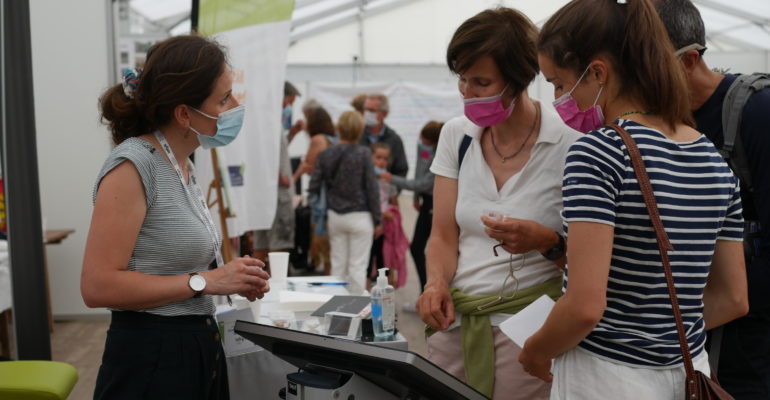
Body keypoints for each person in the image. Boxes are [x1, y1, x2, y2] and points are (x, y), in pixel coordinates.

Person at [519, 1, 749, 398]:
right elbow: (732, 298)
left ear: (597, 72)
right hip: (689, 370)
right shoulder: (712, 159)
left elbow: (585, 307)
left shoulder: (598, 152)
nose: (557, 98)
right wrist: (657, 333)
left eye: (558, 83)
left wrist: (534, 351)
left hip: (605, 377)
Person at [82, 35, 270, 399]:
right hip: (151, 358)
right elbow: (97, 286)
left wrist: (231, 278)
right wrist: (207, 281)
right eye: (223, 99)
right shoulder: (133, 166)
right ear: (184, 114)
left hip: (193, 346)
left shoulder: (181, 163)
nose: (235, 106)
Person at [417, 8, 581, 399]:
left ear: (519, 79)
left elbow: (593, 262)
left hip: (529, 329)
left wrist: (546, 241)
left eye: (481, 82)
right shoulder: (457, 137)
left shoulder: (570, 142)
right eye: (462, 78)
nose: (466, 92)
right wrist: (435, 283)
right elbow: (442, 234)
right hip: (456, 321)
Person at [656, 1, 770, 397]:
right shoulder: (656, 125)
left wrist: (708, 303)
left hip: (747, 343)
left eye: (647, 68)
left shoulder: (756, 111)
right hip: (680, 339)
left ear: (688, 60)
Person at [308, 111, 381, 290]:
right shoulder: (364, 153)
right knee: (358, 266)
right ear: (359, 130)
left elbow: (313, 185)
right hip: (361, 216)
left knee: (337, 264)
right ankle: (356, 312)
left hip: (335, 216)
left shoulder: (326, 154)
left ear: (338, 128)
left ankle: (336, 310)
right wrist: (377, 219)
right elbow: (372, 189)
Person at [379, 120, 443, 298]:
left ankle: (429, 293)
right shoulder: (424, 148)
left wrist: (393, 179)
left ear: (433, 141)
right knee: (417, 248)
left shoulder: (441, 154)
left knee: (422, 248)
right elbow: (420, 169)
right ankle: (425, 292)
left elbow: (424, 183)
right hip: (425, 201)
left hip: (435, 203)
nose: (421, 142)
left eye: (424, 140)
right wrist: (416, 197)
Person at [251, 81, 297, 263]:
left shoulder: (267, 123)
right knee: (278, 247)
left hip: (268, 192)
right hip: (278, 194)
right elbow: (262, 153)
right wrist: (278, 177)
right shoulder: (269, 123)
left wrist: (291, 135)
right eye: (288, 102)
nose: (288, 107)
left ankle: (257, 283)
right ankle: (272, 284)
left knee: (262, 245)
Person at [293, 102, 336, 275]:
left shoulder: (317, 140)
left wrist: (293, 178)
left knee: (320, 240)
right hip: (333, 196)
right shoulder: (333, 139)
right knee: (331, 246)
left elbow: (309, 167)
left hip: (320, 196)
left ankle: (325, 275)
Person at [370, 142, 409, 289]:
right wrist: (381, 214)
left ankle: (384, 289)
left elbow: (394, 202)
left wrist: (395, 218)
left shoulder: (388, 180)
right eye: (378, 157)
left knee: (384, 257)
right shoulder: (369, 179)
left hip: (386, 227)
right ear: (371, 157)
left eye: (385, 159)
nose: (382, 162)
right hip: (372, 223)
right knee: (369, 259)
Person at [358, 93, 408, 179]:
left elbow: (401, 170)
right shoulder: (357, 135)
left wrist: (392, 189)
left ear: (384, 114)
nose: (367, 114)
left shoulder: (394, 139)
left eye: (372, 111)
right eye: (365, 110)